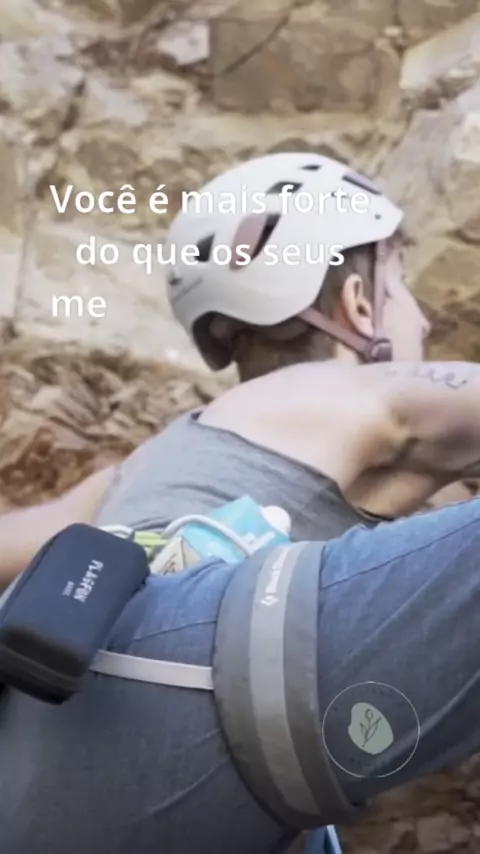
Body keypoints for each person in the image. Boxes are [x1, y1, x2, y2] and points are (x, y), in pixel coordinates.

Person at [1, 153, 480, 854]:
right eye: (400, 284)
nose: (424, 318)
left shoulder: (144, 466)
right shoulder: (354, 393)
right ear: (358, 302)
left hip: (38, 738)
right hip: (206, 672)